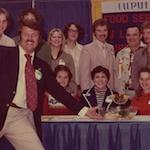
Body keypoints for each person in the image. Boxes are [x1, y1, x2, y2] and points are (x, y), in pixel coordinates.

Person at [0, 20, 100, 149]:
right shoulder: (4, 54)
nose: (30, 38)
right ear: (20, 36)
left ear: (40, 39)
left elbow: (59, 92)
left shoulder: (42, 66)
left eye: (34, 35)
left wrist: (84, 110)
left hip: (18, 117)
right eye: (26, 34)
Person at [38, 28, 77, 95]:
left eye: (59, 37)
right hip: (45, 93)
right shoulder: (42, 56)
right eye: (54, 37)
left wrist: (70, 93)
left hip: (64, 93)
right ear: (50, 39)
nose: (56, 39)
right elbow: (38, 76)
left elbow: (72, 80)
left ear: (62, 40)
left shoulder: (68, 57)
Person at [79, 18, 115, 91]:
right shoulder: (87, 49)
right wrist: (86, 94)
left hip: (109, 91)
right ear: (94, 33)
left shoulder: (111, 48)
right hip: (93, 92)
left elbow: (112, 72)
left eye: (105, 30)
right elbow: (84, 75)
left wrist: (113, 91)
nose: (102, 33)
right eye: (99, 31)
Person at [115, 25, 146, 97]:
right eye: (128, 35)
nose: (131, 38)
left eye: (135, 35)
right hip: (124, 93)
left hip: (143, 93)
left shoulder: (147, 51)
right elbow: (117, 75)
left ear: (141, 36)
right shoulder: (120, 54)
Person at [64, 22, 84, 86]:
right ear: (67, 32)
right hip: (62, 87)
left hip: (79, 86)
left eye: (76, 31)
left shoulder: (83, 50)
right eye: (71, 30)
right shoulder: (60, 49)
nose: (74, 33)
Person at [132, 21, 150, 90]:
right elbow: (134, 76)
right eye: (144, 33)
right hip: (142, 94)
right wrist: (140, 91)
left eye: (149, 33)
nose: (146, 36)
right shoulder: (137, 54)